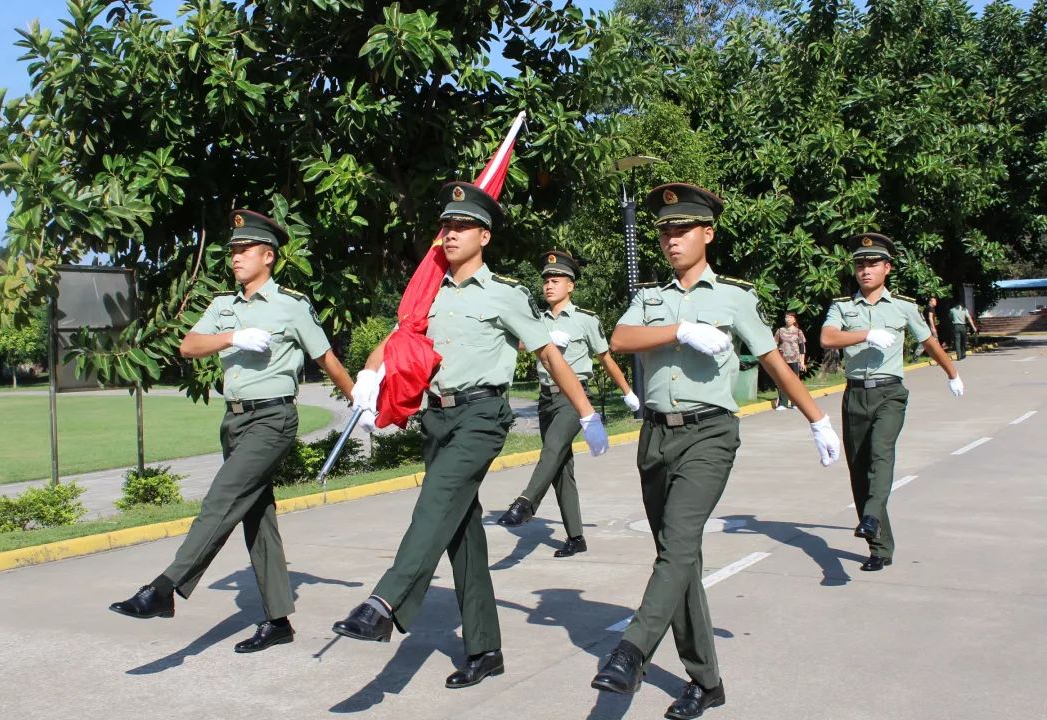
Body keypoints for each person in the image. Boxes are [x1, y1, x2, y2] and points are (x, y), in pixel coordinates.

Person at [331, 182, 609, 689]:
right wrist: (369, 379)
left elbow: (548, 354)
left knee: (435, 502)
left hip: (483, 416)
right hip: (436, 417)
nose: (450, 233)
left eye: (461, 226)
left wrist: (587, 413)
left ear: (483, 235)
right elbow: (396, 342)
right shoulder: (427, 293)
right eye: (445, 225)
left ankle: (383, 603)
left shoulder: (504, 295)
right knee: (461, 534)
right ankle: (485, 650)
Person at [589, 183, 841, 720]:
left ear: (707, 233)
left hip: (709, 434)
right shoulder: (651, 298)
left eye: (682, 230)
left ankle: (630, 652)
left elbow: (772, 360)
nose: (671, 240)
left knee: (677, 544)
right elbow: (619, 338)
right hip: (656, 436)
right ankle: (706, 682)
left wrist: (817, 419)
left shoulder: (734, 297)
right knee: (678, 559)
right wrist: (679, 329)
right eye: (664, 231)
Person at [109, 209, 356, 653]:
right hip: (235, 421)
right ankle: (278, 621)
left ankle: (165, 589)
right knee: (256, 519)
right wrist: (231, 338)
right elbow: (188, 345)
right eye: (233, 251)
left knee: (222, 496)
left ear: (269, 256)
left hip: (273, 419)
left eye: (245, 251)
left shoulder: (292, 305)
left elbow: (326, 359)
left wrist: (360, 399)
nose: (236, 257)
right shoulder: (224, 306)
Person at [821, 233, 964, 572]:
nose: (865, 270)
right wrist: (865, 334)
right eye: (860, 264)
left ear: (887, 268)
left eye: (872, 264)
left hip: (890, 393)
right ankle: (879, 546)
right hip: (855, 393)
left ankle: (870, 517)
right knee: (858, 472)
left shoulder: (903, 306)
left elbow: (927, 341)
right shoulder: (842, 306)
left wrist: (952, 373)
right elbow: (827, 338)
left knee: (880, 455)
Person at [497, 250, 639, 558]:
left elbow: (606, 359)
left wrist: (627, 392)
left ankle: (525, 503)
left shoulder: (585, 320)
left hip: (574, 399)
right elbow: (523, 344)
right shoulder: (535, 319)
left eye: (556, 280)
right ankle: (576, 537)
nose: (549, 285)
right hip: (546, 398)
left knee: (551, 450)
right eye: (546, 280)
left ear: (570, 286)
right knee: (561, 467)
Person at [773, 311, 806, 409]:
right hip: (783, 360)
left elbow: (802, 347)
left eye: (790, 317)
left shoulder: (798, 331)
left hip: (795, 359)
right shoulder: (780, 331)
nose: (788, 319)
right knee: (783, 381)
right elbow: (774, 345)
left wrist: (802, 361)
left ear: (794, 319)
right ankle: (783, 403)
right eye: (786, 317)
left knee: (794, 381)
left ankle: (795, 403)